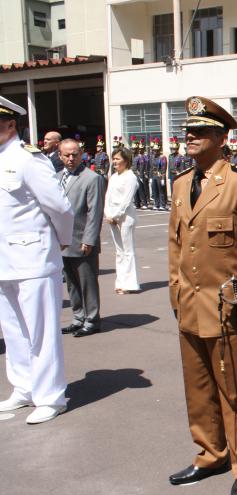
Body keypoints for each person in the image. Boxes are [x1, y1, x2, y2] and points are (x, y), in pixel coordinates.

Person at [167, 96, 237, 495]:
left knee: (236, 391)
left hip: (226, 307)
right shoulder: (181, 184)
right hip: (189, 306)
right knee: (198, 389)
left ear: (221, 137)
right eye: (188, 130)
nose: (190, 136)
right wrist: (175, 293)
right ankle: (210, 453)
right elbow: (176, 245)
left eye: (200, 131)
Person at [0, 96, 74, 425]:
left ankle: (50, 396)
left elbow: (60, 207)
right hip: (4, 261)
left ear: (10, 124)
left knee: (41, 332)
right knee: (13, 330)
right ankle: (24, 387)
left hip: (33, 258)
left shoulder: (28, 159)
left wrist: (61, 240)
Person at [58, 138, 105, 338]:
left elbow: (95, 212)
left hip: (82, 240)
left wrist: (89, 239)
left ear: (81, 155)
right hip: (63, 242)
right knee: (71, 283)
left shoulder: (92, 178)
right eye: (66, 155)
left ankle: (92, 320)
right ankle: (78, 318)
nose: (71, 158)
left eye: (75, 154)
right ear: (60, 156)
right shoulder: (57, 177)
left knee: (87, 283)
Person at [104, 145, 141, 294]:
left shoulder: (130, 177)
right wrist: (108, 214)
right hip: (112, 216)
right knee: (119, 251)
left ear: (126, 161)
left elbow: (126, 200)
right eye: (113, 158)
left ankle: (130, 284)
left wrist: (116, 216)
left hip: (126, 217)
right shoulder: (114, 177)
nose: (114, 161)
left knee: (128, 251)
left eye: (117, 159)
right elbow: (108, 197)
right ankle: (120, 282)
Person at [150, 139, 169, 210]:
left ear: (159, 150)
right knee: (155, 190)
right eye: (154, 150)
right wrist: (151, 177)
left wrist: (163, 177)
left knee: (161, 191)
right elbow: (152, 167)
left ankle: (162, 205)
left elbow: (163, 168)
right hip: (154, 176)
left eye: (156, 150)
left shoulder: (162, 158)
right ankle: (156, 204)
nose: (154, 152)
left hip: (160, 176)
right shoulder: (153, 157)